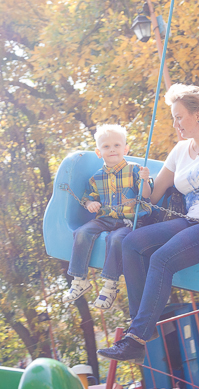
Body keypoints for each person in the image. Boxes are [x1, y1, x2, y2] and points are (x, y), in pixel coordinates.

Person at [97, 84, 199, 362]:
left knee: (161, 259)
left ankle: (136, 337)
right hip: (188, 221)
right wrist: (139, 182)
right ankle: (140, 331)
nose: (175, 124)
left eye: (179, 117)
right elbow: (153, 196)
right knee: (131, 243)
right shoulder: (180, 151)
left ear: (198, 115)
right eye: (173, 118)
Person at [63, 124, 151, 310]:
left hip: (129, 221)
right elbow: (88, 198)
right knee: (82, 232)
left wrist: (144, 180)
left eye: (117, 145)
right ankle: (79, 280)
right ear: (98, 152)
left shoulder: (135, 170)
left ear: (125, 149)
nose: (112, 149)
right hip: (105, 218)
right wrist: (90, 204)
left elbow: (146, 195)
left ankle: (110, 286)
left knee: (116, 239)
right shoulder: (96, 177)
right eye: (106, 146)